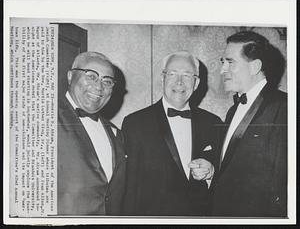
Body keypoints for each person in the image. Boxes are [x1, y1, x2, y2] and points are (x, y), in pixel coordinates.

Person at [191, 31, 287, 217]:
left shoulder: (284, 107)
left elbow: (284, 187)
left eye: (230, 62)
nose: (222, 70)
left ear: (255, 67)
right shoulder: (233, 111)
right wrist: (211, 171)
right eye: (222, 62)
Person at [121, 51, 222, 216]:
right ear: (162, 79)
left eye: (187, 76)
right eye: (173, 74)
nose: (179, 82)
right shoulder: (135, 123)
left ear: (196, 83)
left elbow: (228, 179)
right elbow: (130, 188)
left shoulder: (213, 122)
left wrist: (211, 173)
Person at [57, 51, 126, 215]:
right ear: (70, 76)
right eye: (91, 76)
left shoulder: (115, 133)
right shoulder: (42, 118)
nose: (99, 86)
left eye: (107, 81)